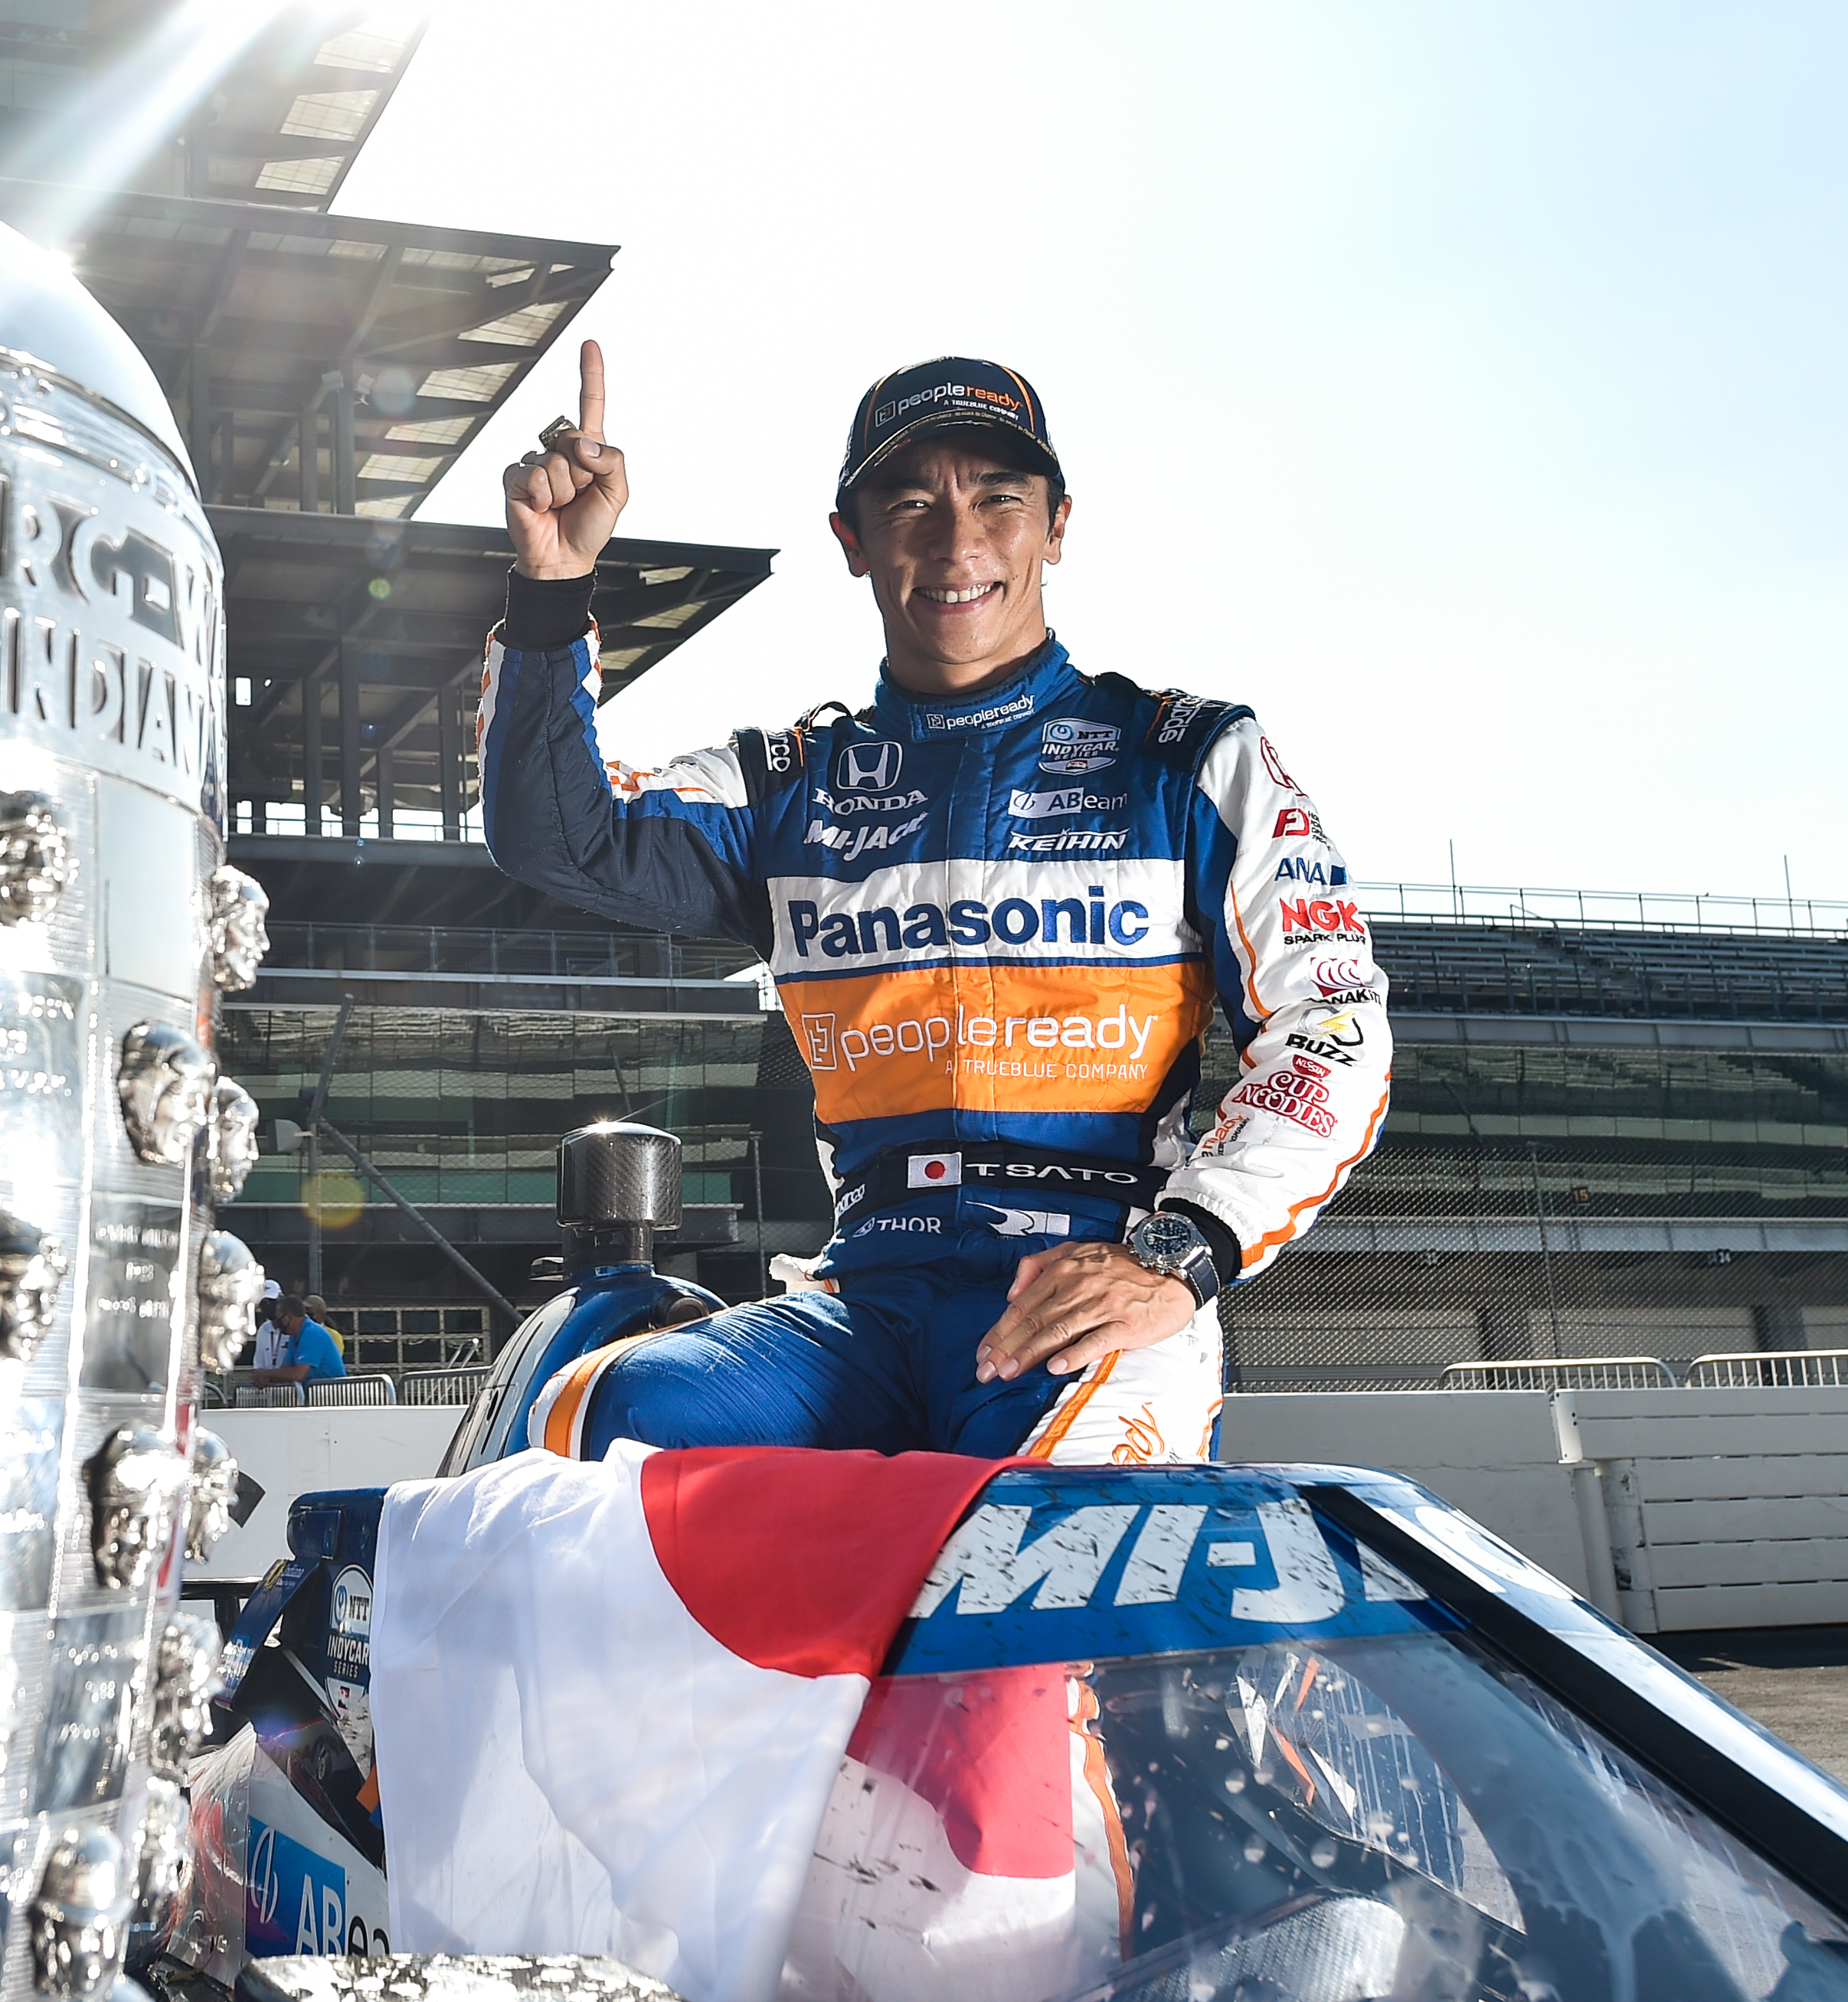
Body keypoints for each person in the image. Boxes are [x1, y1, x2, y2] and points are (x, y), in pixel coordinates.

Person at [480, 343, 1392, 1463]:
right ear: (851, 542)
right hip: (860, 1297)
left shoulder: (1193, 758)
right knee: (586, 1429)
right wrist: (552, 589)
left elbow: (1330, 1025)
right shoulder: (784, 785)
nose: (958, 543)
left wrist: (1186, 1248)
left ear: (1057, 525)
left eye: (998, 499)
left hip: (1083, 1289)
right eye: (911, 503)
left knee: (1036, 1560)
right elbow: (558, 837)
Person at [250, 1289, 348, 1389]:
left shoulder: (312, 1333)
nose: (277, 1324)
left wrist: (265, 1374)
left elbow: (299, 1374)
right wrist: (268, 1379)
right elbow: (287, 1368)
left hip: (333, 1394)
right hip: (318, 1394)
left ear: (288, 1317)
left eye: (279, 1319)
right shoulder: (295, 1336)